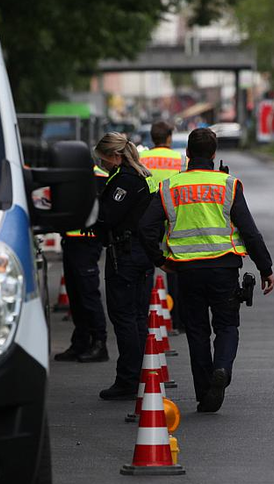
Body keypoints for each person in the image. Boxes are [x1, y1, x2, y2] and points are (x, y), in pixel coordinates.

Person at [140, 127, 274, 413]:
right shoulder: (228, 185)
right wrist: (265, 268)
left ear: (188, 153)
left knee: (197, 331)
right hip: (223, 268)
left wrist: (159, 260)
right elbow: (250, 232)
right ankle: (222, 369)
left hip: (187, 270)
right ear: (214, 154)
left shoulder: (170, 186)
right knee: (227, 326)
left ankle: (205, 393)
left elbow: (145, 227)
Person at [93, 132, 155, 400]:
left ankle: (129, 379)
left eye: (103, 158)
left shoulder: (125, 180)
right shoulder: (142, 175)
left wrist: (93, 210)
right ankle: (139, 375)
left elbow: (108, 216)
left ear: (115, 156)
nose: (102, 164)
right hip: (142, 253)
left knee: (124, 317)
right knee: (137, 317)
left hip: (126, 254)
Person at [53, 163, 110, 363]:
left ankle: (99, 343)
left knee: (88, 294)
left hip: (87, 241)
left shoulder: (99, 177)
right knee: (75, 295)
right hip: (71, 240)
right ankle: (80, 342)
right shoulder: (70, 175)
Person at [140, 120, 186, 331]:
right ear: (169, 137)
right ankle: (177, 320)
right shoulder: (181, 160)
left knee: (146, 265)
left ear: (152, 137)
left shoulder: (141, 159)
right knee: (174, 269)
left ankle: (145, 316)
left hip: (147, 217)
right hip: (173, 218)